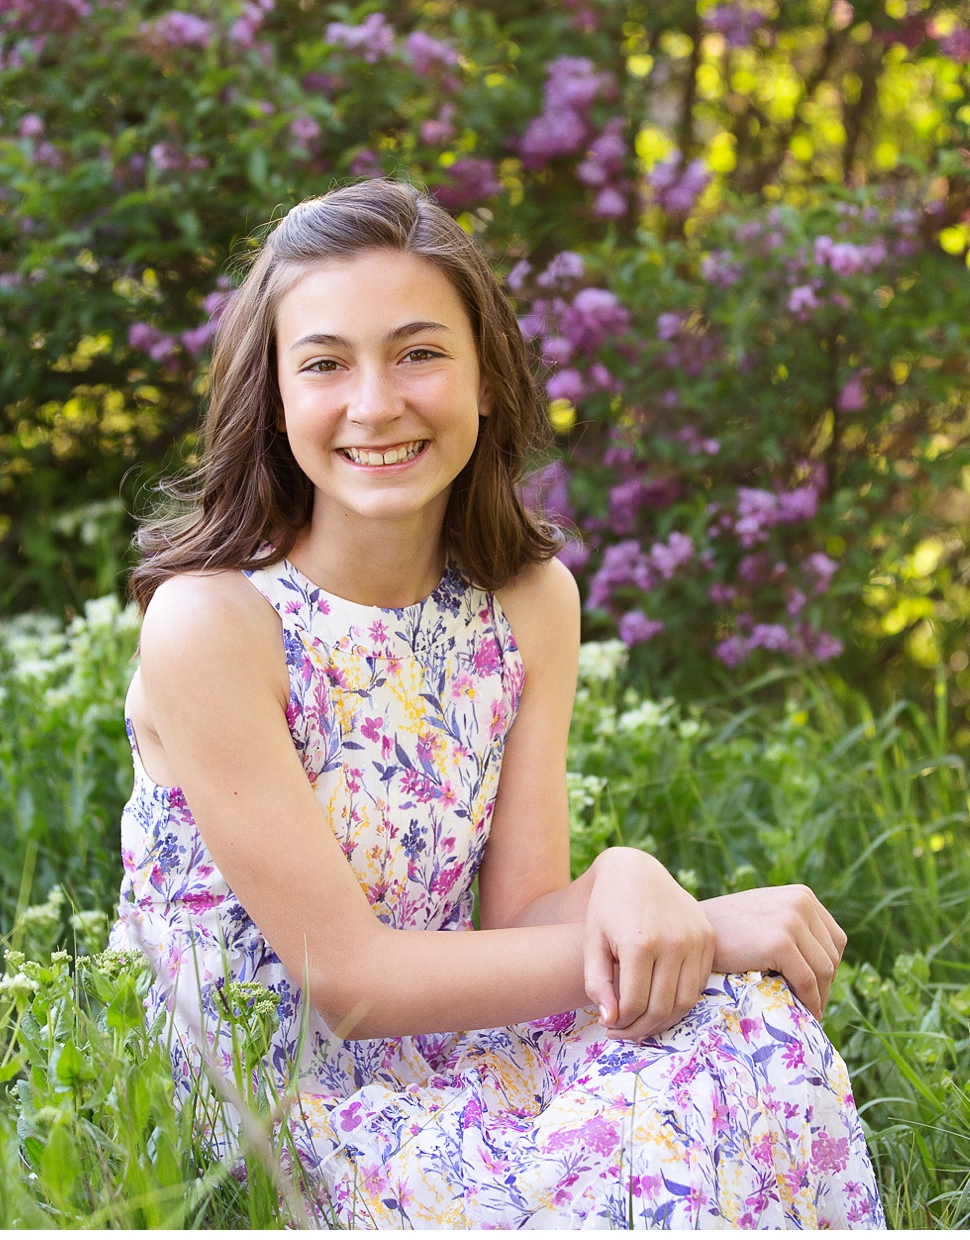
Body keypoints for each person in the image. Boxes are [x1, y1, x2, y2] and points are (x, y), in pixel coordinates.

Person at [111, 178, 886, 1228]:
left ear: (484, 379)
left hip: (436, 1052)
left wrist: (629, 879)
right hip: (261, 1104)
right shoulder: (215, 623)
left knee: (746, 1024)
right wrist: (697, 925)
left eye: (417, 351)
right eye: (326, 362)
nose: (375, 401)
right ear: (277, 396)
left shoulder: (525, 600)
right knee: (622, 1136)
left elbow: (519, 917)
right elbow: (348, 980)